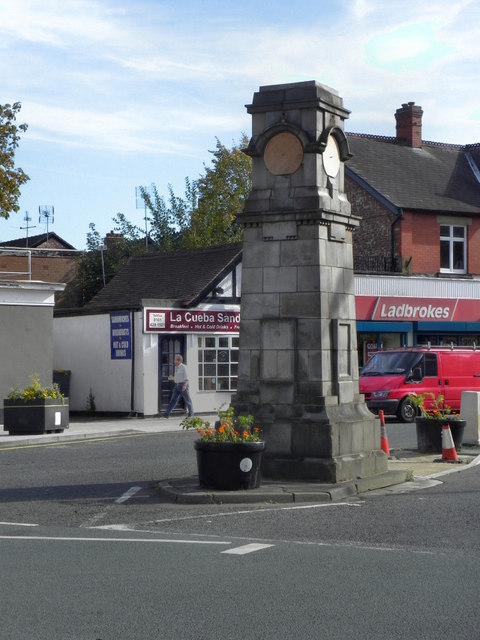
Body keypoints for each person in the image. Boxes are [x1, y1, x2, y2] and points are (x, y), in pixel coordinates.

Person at [164, 354, 194, 418]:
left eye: (175, 360)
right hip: (177, 386)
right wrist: (172, 378)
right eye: (174, 360)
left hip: (183, 385)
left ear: (179, 361)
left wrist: (185, 386)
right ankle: (167, 413)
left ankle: (191, 414)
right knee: (173, 400)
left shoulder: (183, 367)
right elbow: (178, 377)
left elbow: (187, 377)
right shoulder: (176, 367)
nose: (174, 361)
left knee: (188, 400)